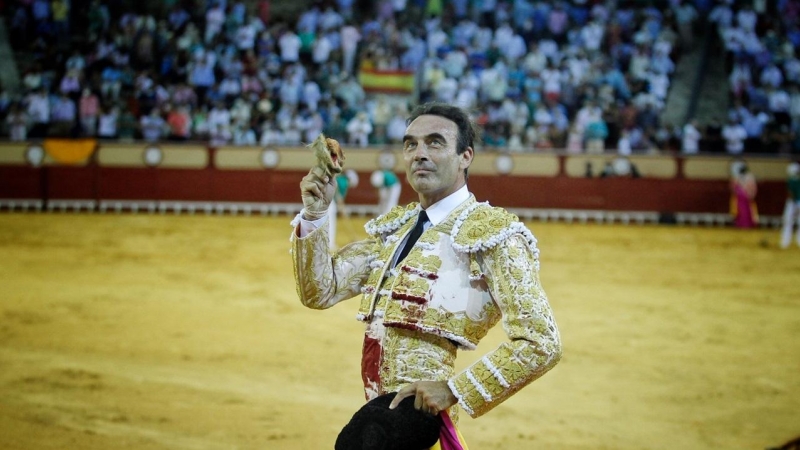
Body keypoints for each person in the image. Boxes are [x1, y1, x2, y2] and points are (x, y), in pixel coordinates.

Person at [290, 103, 562, 447]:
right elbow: (320, 291)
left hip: (423, 428)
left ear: (465, 156)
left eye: (434, 143)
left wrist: (455, 389)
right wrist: (316, 212)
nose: (419, 154)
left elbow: (542, 341)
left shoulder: (494, 235)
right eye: (410, 144)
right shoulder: (396, 229)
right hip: (377, 417)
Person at [729, 161, 759, 229]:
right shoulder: (748, 176)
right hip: (743, 197)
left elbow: (733, 188)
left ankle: (743, 224)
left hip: (742, 197)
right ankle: (745, 224)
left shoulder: (739, 177)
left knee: (744, 211)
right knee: (745, 211)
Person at [780, 162, 800, 249]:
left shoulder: (790, 180)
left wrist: (794, 203)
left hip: (792, 203)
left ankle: (785, 242)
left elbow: (790, 194)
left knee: (788, 222)